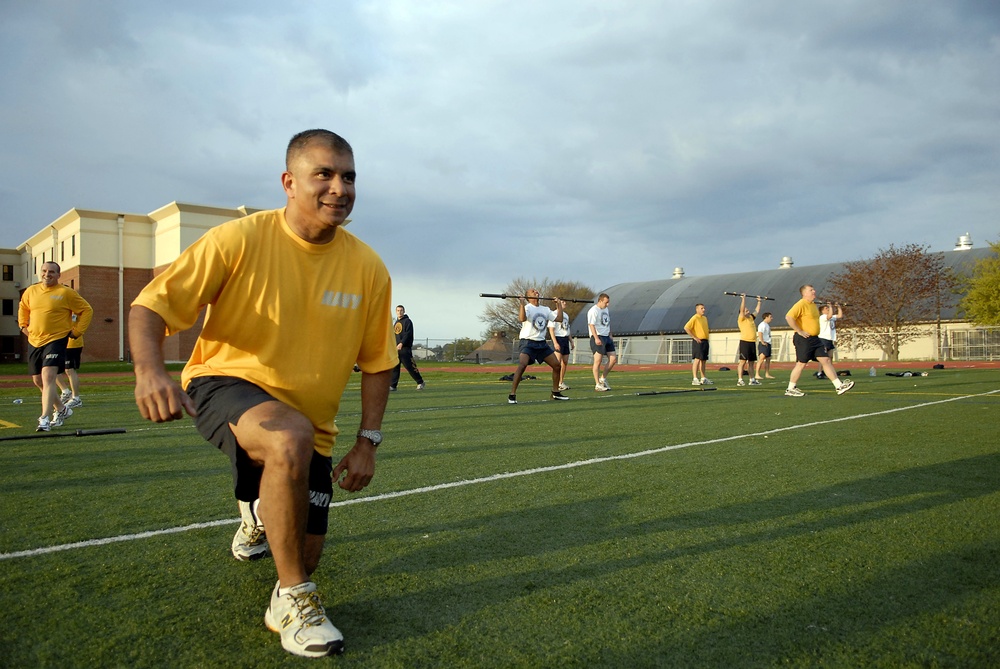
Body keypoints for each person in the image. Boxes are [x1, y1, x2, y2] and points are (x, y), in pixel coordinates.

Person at [129, 129, 397, 658]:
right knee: (287, 439)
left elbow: (377, 364)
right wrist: (149, 371)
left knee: (304, 545)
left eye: (348, 177)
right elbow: (150, 306)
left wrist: (368, 441)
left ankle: (271, 554)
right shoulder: (239, 239)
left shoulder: (368, 267)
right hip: (221, 382)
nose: (339, 188)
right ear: (288, 182)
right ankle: (299, 597)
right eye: (323, 174)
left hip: (310, 423)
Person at [17, 261, 93, 431]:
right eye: (44, 271)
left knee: (48, 376)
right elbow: (23, 307)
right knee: (38, 380)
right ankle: (61, 408)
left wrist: (77, 331)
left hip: (56, 340)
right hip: (34, 340)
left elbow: (87, 310)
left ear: (59, 275)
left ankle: (44, 418)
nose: (47, 274)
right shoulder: (31, 291)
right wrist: (23, 325)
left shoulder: (66, 293)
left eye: (52, 272)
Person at [784, 284, 854, 397]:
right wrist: (799, 330)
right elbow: (789, 317)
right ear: (804, 293)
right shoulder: (801, 304)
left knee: (826, 360)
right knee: (801, 364)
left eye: (813, 289)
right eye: (811, 290)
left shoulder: (812, 305)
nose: (814, 291)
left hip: (815, 339)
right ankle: (791, 388)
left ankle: (839, 386)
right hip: (804, 339)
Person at [508, 290, 569, 403]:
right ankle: (512, 394)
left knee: (557, 365)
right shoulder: (527, 307)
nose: (536, 292)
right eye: (533, 291)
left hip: (541, 343)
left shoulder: (545, 309)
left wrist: (558, 305)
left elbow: (559, 319)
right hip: (527, 342)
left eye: (536, 291)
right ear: (528, 296)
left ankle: (555, 393)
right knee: (522, 364)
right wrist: (521, 303)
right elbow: (522, 319)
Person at [390, 305, 425, 391]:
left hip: (405, 349)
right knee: (395, 367)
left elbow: (408, 334)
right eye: (398, 310)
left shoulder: (407, 321)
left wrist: (402, 343)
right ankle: (393, 386)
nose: (399, 312)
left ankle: (420, 382)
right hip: (396, 349)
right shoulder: (396, 323)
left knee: (410, 367)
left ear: (404, 311)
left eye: (401, 310)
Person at [587, 293, 617, 391]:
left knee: (613, 359)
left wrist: (610, 334)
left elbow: (608, 322)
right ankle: (597, 384)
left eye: (608, 302)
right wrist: (596, 338)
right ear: (600, 301)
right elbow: (591, 325)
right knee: (598, 361)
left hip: (606, 336)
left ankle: (603, 379)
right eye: (606, 302)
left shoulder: (606, 310)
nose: (607, 304)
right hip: (598, 336)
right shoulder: (593, 311)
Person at [57, 317, 85, 409]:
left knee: (69, 369)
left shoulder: (76, 307)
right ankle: (65, 391)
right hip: (59, 342)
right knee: (51, 368)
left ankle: (76, 398)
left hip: (72, 343)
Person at [684, 303, 713, 386]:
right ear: (697, 309)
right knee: (697, 359)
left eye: (704, 308)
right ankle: (695, 378)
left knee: (703, 360)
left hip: (705, 341)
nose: (703, 310)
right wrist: (694, 337)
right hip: (698, 342)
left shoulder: (704, 318)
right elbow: (686, 327)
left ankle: (703, 378)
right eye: (701, 308)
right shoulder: (694, 318)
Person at [736, 294, 762, 386]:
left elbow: (757, 311)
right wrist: (743, 299)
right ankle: (740, 380)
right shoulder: (741, 318)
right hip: (745, 342)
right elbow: (742, 309)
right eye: (746, 310)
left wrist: (759, 301)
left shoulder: (750, 318)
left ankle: (752, 380)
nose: (748, 311)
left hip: (752, 343)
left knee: (751, 362)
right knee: (742, 361)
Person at [548, 308, 573, 391]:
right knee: (557, 363)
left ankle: (561, 382)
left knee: (565, 362)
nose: (565, 303)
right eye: (562, 302)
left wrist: (571, 341)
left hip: (565, 338)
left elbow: (567, 329)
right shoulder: (553, 314)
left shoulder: (566, 315)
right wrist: (555, 342)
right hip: (558, 338)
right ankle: (556, 383)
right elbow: (551, 330)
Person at [754, 312, 776, 380]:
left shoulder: (767, 325)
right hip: (764, 343)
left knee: (768, 359)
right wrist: (762, 341)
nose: (771, 318)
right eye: (770, 317)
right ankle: (757, 374)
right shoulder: (762, 325)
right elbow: (760, 333)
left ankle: (767, 374)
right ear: (766, 317)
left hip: (768, 343)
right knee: (761, 359)